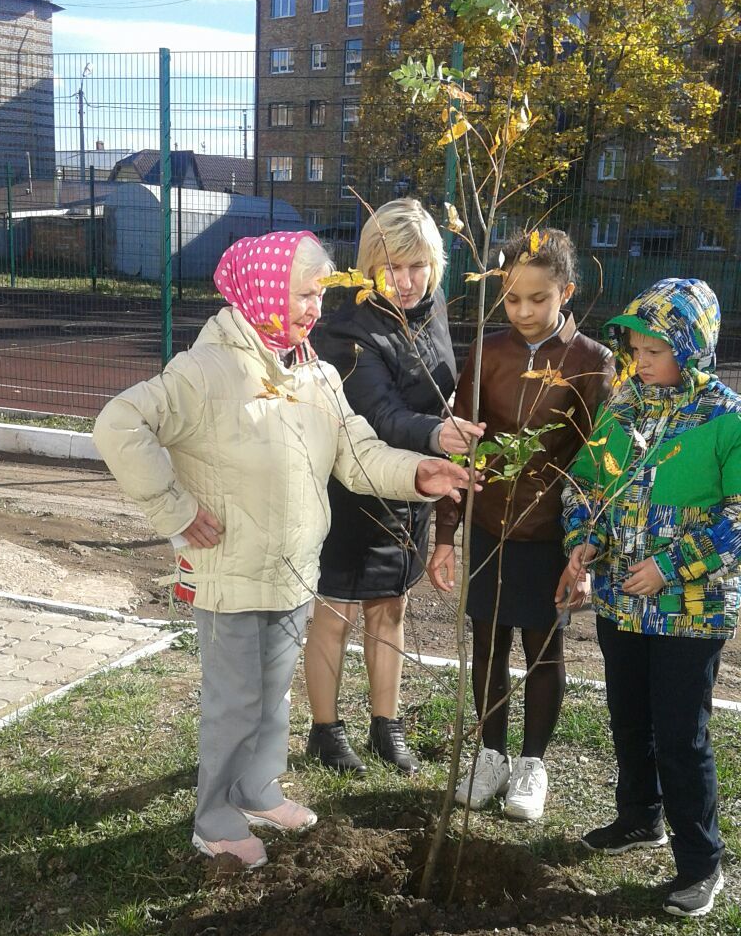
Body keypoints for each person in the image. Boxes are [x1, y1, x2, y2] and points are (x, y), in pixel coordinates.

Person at [93, 230, 473, 869]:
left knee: (273, 694)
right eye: (301, 295)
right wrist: (176, 511)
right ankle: (214, 818)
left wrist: (418, 472)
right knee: (233, 702)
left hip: (296, 570)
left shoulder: (315, 374)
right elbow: (117, 424)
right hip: (233, 575)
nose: (312, 310)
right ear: (263, 290)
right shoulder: (207, 370)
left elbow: (356, 455)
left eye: (318, 295)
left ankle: (257, 788)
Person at [563, 278, 741, 917]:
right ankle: (640, 817)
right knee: (629, 715)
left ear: (691, 349)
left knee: (680, 733)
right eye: (634, 349)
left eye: (653, 351)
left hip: (690, 612)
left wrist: (671, 567)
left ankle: (701, 863)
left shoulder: (726, 418)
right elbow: (584, 485)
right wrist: (582, 542)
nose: (638, 361)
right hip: (619, 600)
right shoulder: (623, 407)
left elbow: (739, 516)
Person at [430, 229, 613, 820]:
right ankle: (490, 754)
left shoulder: (591, 363)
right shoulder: (489, 352)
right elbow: (461, 446)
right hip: (489, 526)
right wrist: (446, 533)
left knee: (543, 648)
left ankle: (531, 763)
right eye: (512, 299)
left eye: (539, 298)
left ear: (568, 290)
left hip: (550, 535)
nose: (525, 311)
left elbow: (599, 465)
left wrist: (584, 551)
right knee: (486, 642)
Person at [303, 199, 484, 776]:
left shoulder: (430, 313)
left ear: (435, 265)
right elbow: (377, 414)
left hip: (411, 487)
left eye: (418, 267)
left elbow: (436, 385)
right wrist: (439, 433)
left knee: (392, 607)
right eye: (392, 268)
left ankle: (387, 726)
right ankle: (326, 731)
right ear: (369, 266)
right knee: (335, 614)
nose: (406, 282)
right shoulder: (347, 330)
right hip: (354, 490)